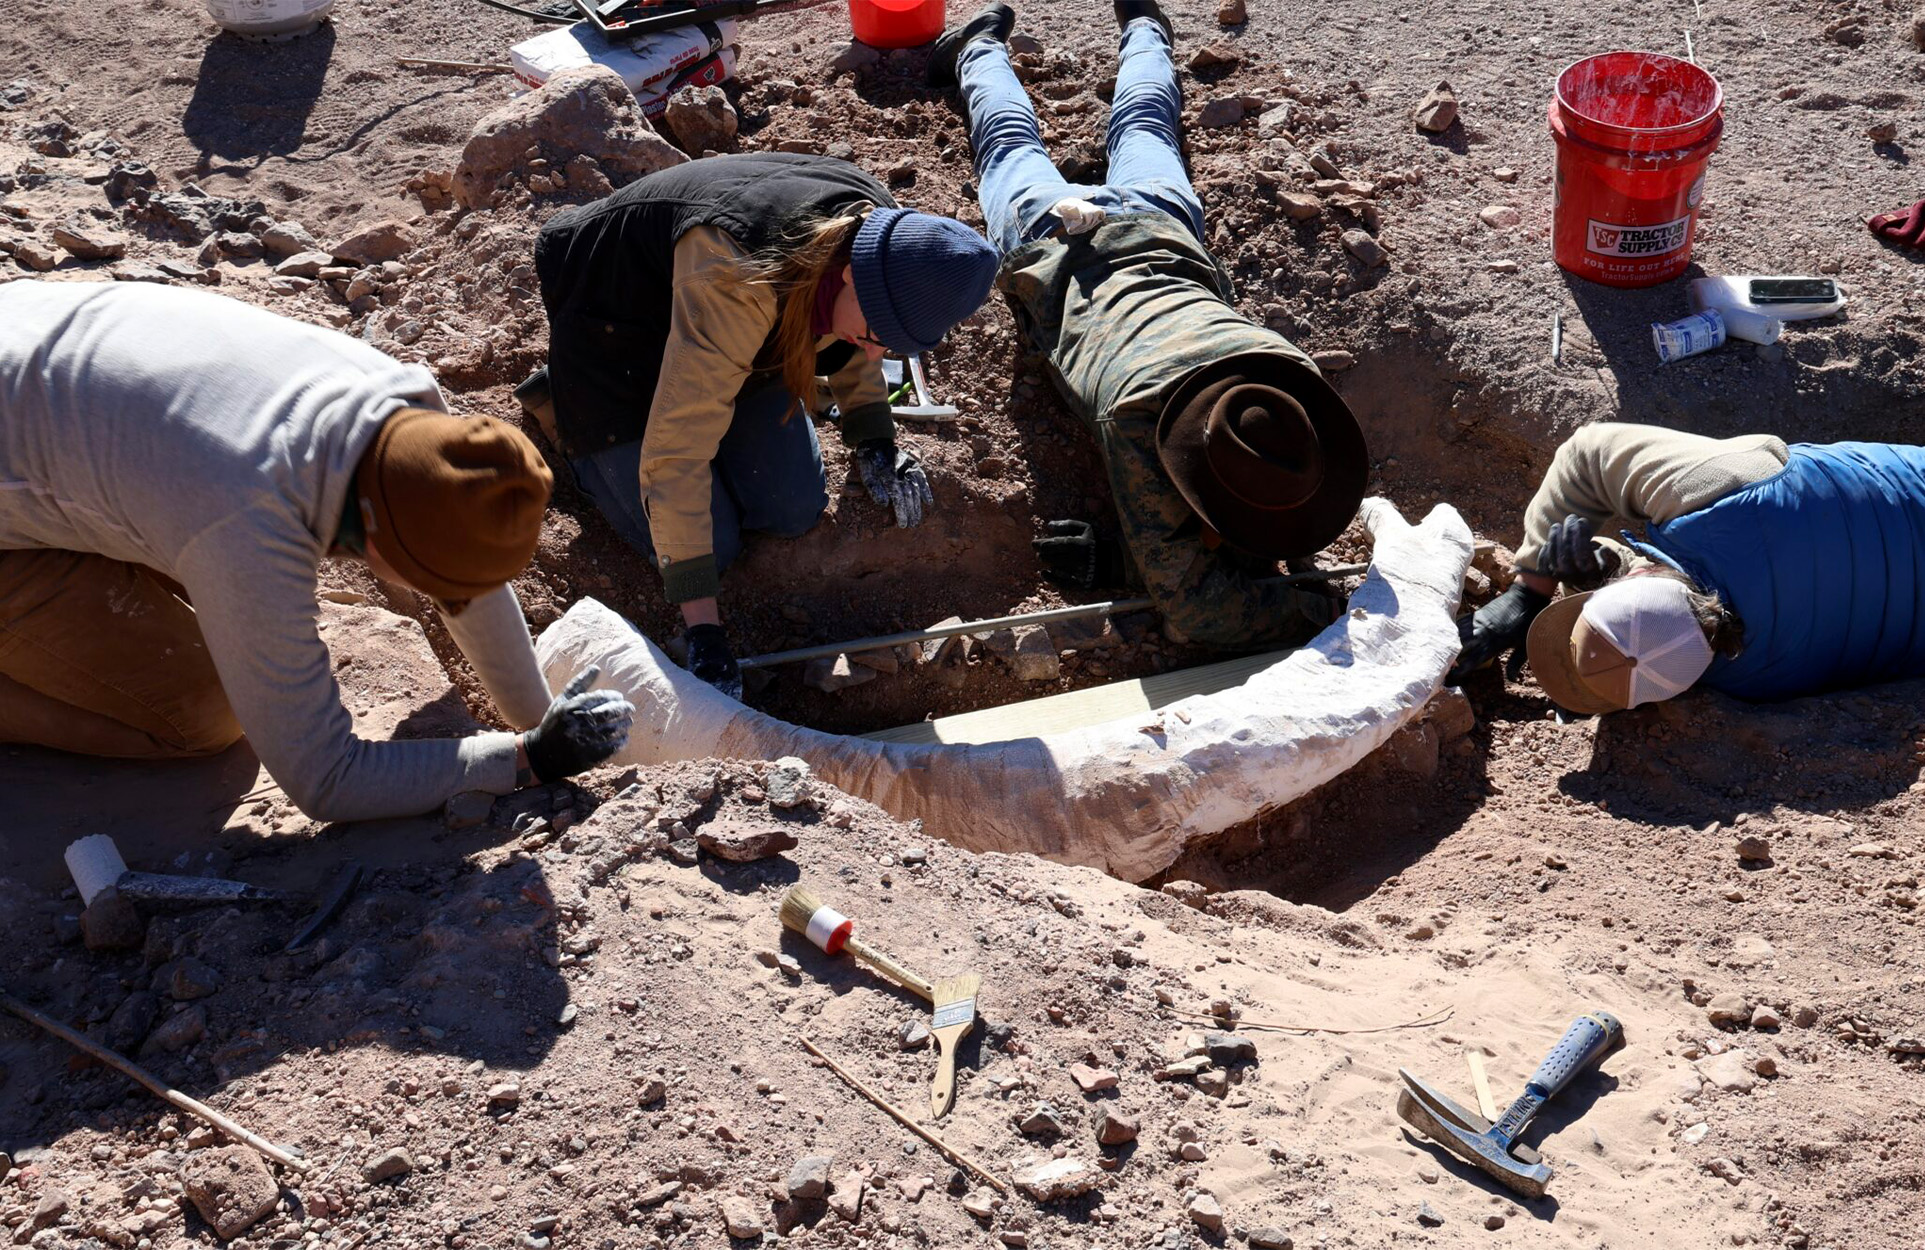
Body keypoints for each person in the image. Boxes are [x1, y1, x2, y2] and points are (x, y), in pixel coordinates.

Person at [0, 281, 634, 822]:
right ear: (375, 540)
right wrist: (528, 758)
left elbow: (463, 563)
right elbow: (327, 779)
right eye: (433, 582)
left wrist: (540, 715)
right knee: (199, 715)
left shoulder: (403, 405)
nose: (449, 599)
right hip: (68, 437)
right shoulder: (247, 517)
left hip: (31, 337)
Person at [925, 0, 1369, 651]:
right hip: (1054, 244)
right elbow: (1196, 611)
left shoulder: (1287, 377)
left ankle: (1138, 31)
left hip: (1159, 227)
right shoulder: (1136, 419)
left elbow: (1192, 569)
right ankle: (978, 49)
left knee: (1144, 126)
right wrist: (1319, 616)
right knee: (1007, 143)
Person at [519, 153, 1000, 698]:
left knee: (791, 506)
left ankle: (711, 393)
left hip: (735, 329)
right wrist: (704, 630)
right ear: (848, 271)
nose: (876, 350)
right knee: (712, 552)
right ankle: (563, 405)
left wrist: (873, 436)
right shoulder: (737, 271)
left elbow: (862, 339)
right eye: (872, 333)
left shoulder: (888, 238)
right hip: (614, 331)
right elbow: (677, 451)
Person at [1450, 422, 1925, 713]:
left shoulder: (1759, 682)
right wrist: (1534, 587)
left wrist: (1564, 580)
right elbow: (1588, 451)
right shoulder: (1724, 493)